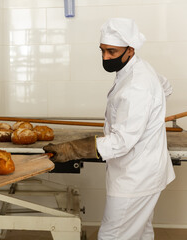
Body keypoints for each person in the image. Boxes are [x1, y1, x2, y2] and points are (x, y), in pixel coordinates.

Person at [43, 18, 175, 240]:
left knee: (111, 236)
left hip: (135, 177)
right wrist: (151, 114)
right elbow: (166, 87)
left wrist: (73, 149)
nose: (105, 57)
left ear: (130, 50)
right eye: (102, 51)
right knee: (141, 233)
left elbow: (121, 142)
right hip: (145, 171)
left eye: (112, 52)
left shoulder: (137, 86)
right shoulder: (139, 69)